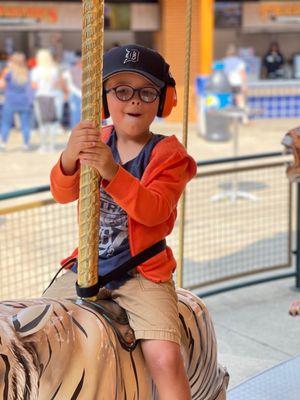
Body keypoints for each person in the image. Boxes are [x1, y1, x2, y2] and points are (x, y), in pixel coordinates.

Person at [46, 44, 197, 399]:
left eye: (147, 92)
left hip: (143, 274)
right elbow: (62, 192)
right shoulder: (95, 140)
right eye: (122, 90)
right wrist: (69, 158)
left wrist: (111, 171)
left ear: (163, 101)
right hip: (86, 264)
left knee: (164, 358)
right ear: (104, 99)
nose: (134, 102)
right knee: (42, 332)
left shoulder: (170, 155)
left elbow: (155, 211)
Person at [0, 52, 33, 151]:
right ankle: (26, 144)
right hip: (24, 101)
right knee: (25, 124)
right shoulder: (27, 72)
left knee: (6, 123)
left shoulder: (8, 72)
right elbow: (30, 87)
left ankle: (3, 143)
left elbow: (1, 85)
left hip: (10, 101)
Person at [31, 49, 62, 152]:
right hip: (52, 97)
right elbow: (56, 85)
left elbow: (34, 85)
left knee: (42, 123)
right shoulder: (53, 70)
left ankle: (43, 146)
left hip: (41, 97)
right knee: (52, 123)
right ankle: (52, 146)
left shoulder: (36, 70)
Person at [223, 44, 249, 124]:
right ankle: (244, 119)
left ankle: (228, 120)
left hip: (227, 83)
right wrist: (245, 85)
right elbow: (243, 74)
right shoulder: (239, 62)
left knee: (228, 101)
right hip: (237, 82)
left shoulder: (224, 61)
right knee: (240, 100)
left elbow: (223, 74)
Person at [62, 50, 82, 129]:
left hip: (81, 94)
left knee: (79, 114)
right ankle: (75, 130)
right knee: (75, 113)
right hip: (74, 94)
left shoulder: (84, 70)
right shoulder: (71, 70)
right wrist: (66, 91)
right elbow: (63, 80)